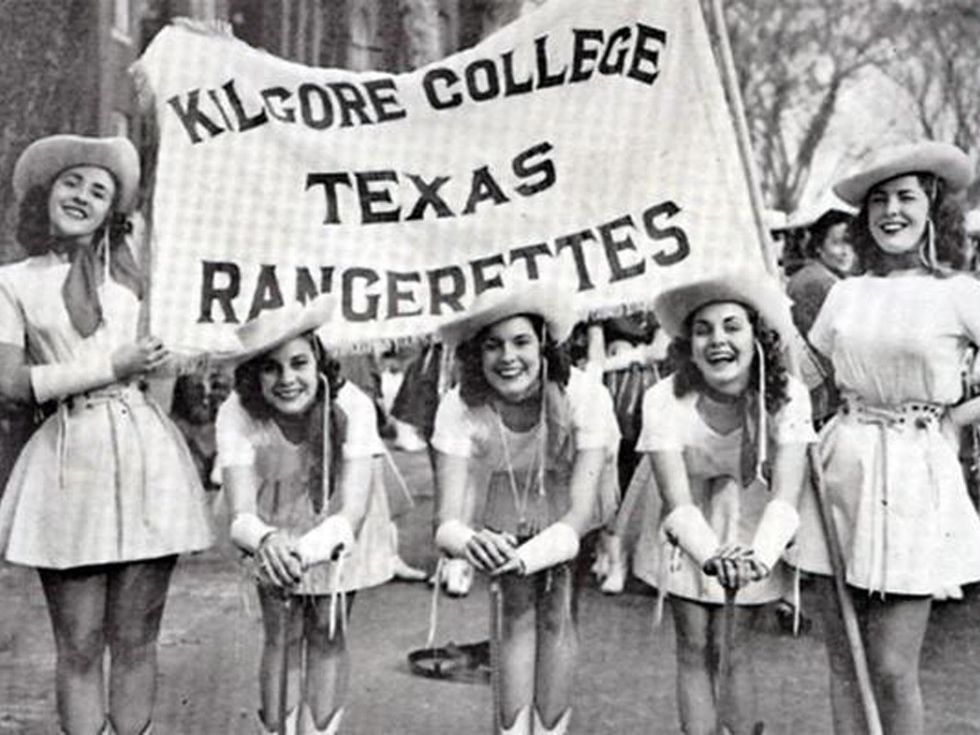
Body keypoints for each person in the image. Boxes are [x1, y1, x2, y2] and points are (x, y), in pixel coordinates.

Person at [0, 134, 215, 735]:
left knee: (138, 636)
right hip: (70, 460)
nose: (82, 197)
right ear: (46, 192)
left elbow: (168, 366)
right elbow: (11, 381)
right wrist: (107, 368)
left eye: (99, 191)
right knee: (79, 641)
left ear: (112, 211)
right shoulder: (13, 282)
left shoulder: (136, 281)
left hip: (145, 454)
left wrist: (168, 397)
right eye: (72, 182)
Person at [792, 140, 980, 735]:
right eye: (878, 201)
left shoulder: (959, 293)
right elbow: (804, 376)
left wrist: (958, 418)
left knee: (893, 667)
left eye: (905, 197)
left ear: (933, 209)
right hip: (841, 465)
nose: (890, 212)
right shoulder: (847, 292)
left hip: (915, 474)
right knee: (844, 660)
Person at [431, 285, 618, 735]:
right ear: (477, 354)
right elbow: (446, 520)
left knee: (556, 605)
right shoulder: (458, 406)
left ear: (543, 346)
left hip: (568, 484)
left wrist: (530, 555)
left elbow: (579, 510)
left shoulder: (584, 396)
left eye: (521, 342)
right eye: (493, 345)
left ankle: (551, 728)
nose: (507, 357)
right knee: (514, 608)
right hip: (499, 484)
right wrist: (474, 544)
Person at [636, 273, 814, 734]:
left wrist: (757, 557)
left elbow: (788, 495)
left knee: (732, 646)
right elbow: (675, 500)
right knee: (694, 644)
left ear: (756, 335)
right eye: (703, 330)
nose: (718, 340)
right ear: (687, 344)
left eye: (732, 326)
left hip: (757, 524)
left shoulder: (787, 395)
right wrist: (711, 554)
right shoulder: (662, 399)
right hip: (688, 526)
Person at [216, 295, 393, 734]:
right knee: (282, 633)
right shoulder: (237, 411)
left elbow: (351, 512)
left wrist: (308, 548)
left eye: (298, 363)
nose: (287, 379)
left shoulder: (353, 405)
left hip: (336, 516)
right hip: (269, 513)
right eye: (270, 368)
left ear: (319, 363)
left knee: (327, 630)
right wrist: (267, 541)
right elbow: (240, 508)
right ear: (253, 375)